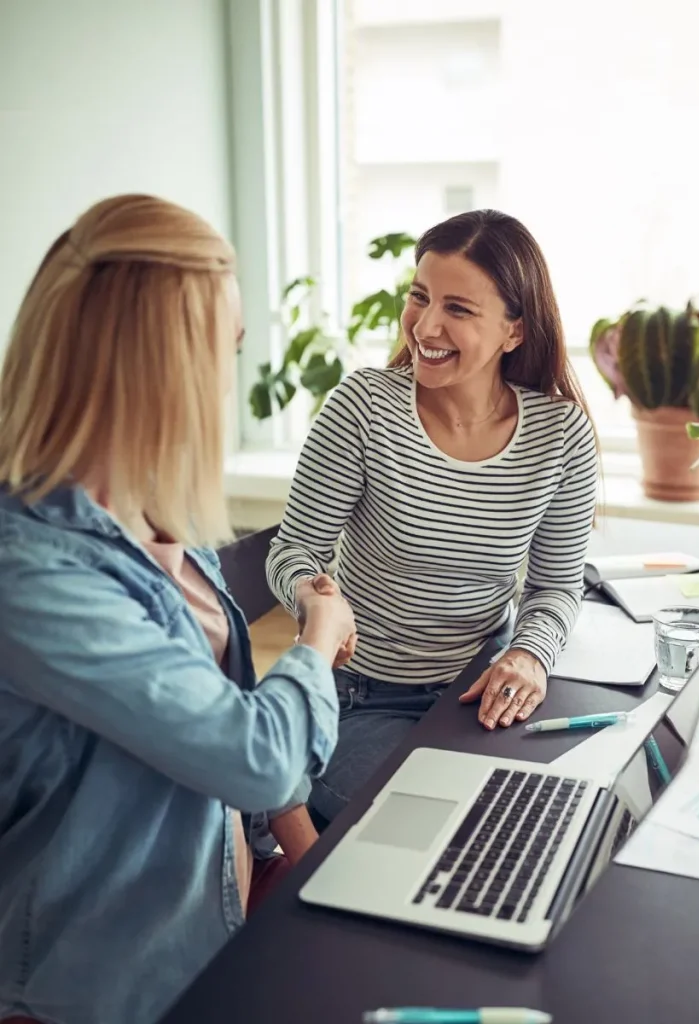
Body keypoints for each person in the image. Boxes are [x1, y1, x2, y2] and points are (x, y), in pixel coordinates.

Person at [0, 195, 355, 1024]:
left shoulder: (152, 519)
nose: (233, 373)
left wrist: (308, 866)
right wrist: (317, 641)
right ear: (168, 369)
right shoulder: (32, 575)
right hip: (101, 991)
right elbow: (257, 756)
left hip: (212, 925)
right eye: (227, 348)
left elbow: (222, 760)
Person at [267, 209, 598, 826]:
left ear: (515, 332)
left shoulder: (560, 434)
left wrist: (528, 655)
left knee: (558, 806)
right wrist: (315, 602)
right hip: (364, 698)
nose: (426, 324)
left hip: (481, 687)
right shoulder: (364, 407)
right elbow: (292, 553)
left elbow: (555, 586)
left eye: (459, 309)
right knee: (441, 821)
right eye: (420, 297)